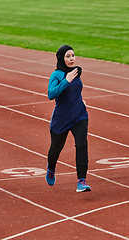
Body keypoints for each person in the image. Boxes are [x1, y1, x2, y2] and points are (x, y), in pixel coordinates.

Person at [45, 45, 91, 192]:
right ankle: (51, 168)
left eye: (73, 55)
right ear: (61, 58)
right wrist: (66, 81)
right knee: (55, 149)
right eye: (67, 56)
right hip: (62, 118)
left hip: (79, 115)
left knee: (82, 145)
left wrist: (80, 100)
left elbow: (75, 91)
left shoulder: (76, 71)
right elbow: (51, 94)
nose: (71, 59)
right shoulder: (57, 75)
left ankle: (81, 181)